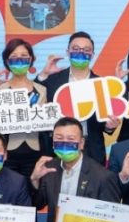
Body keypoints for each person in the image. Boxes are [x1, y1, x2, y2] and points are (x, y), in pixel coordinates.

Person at [36, 31, 107, 164]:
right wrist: (43, 75)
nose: (81, 52)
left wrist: (110, 126)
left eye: (86, 50)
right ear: (67, 52)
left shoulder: (101, 83)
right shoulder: (53, 79)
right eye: (76, 48)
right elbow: (34, 98)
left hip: (90, 148)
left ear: (92, 55)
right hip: (58, 147)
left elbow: (104, 123)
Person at [0, 38, 51, 177]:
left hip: (34, 150)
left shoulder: (41, 89)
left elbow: (46, 121)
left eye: (24, 56)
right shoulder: (1, 89)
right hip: (8, 152)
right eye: (14, 57)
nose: (19, 61)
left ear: (31, 60)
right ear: (7, 61)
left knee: (33, 187)